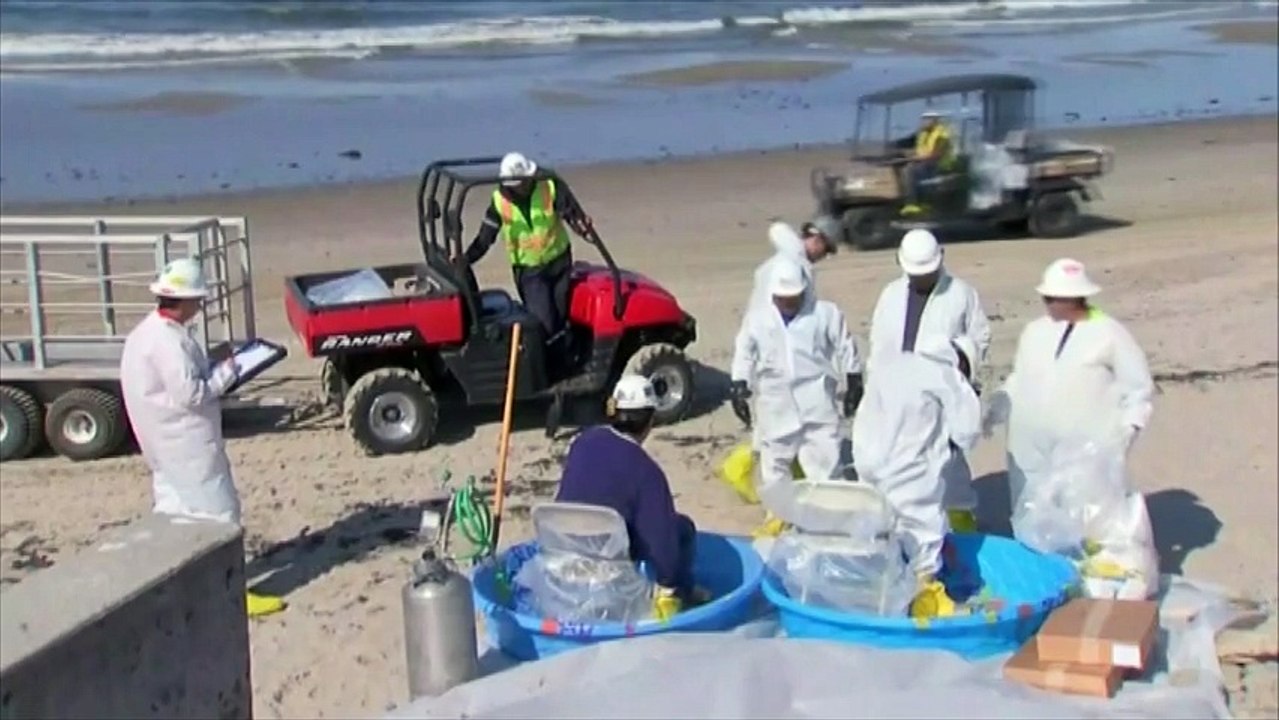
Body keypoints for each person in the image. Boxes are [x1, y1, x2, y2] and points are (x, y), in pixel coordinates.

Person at [119, 259, 285, 618]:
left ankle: (173, 586)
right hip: (187, 444)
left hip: (162, 444)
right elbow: (192, 394)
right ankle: (231, 592)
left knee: (175, 514)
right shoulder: (167, 341)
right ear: (188, 300)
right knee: (220, 516)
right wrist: (227, 374)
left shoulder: (145, 333)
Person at [984, 259, 1158, 599]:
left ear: (1076, 299)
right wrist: (997, 408)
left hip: (1087, 449)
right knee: (1033, 514)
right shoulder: (1035, 331)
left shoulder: (1109, 333)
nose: (1047, 304)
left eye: (1053, 298)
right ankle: (1041, 582)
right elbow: (1021, 378)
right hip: (1031, 444)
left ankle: (1091, 587)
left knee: (1088, 519)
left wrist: (1127, 431)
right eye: (1046, 297)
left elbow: (1139, 388)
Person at [867, 227, 991, 531]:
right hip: (897, 394)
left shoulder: (961, 294)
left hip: (941, 395)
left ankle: (961, 521)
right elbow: (879, 344)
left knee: (947, 465)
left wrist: (963, 361)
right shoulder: (891, 295)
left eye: (928, 272)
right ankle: (901, 526)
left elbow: (980, 337)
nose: (922, 278)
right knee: (897, 461)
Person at [851, 334, 981, 618]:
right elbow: (968, 432)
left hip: (871, 467)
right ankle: (926, 601)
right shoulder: (947, 376)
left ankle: (878, 598)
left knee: (882, 535)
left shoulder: (892, 366)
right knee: (924, 531)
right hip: (914, 474)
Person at [730, 258, 863, 531]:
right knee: (775, 463)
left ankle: (825, 518)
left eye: (793, 297)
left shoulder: (825, 314)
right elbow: (745, 351)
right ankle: (778, 515)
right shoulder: (758, 319)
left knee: (825, 462)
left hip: (817, 401)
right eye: (783, 298)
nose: (788, 303)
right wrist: (739, 384)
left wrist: (854, 377)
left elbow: (845, 345)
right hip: (775, 402)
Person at [556, 375, 703, 618]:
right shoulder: (647, 472)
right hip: (611, 557)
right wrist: (669, 577)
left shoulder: (582, 441)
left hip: (564, 548)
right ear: (650, 421)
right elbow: (662, 543)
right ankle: (677, 595)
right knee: (682, 529)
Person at [459, 151, 594, 376]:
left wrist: (583, 228)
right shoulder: (499, 201)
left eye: (522, 182)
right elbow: (486, 238)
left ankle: (564, 366)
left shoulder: (550, 186)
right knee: (545, 322)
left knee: (561, 317)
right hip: (530, 271)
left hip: (558, 260)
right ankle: (547, 371)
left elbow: (572, 214)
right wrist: (467, 259)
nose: (518, 187)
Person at [746, 217, 840, 316]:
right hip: (771, 327)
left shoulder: (792, 258)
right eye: (826, 250)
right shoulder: (793, 260)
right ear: (817, 240)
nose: (824, 256)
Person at [903, 110, 957, 210]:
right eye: (923, 119)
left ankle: (913, 204)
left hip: (940, 166)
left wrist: (918, 158)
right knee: (912, 167)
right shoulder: (923, 133)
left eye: (927, 119)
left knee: (911, 170)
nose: (924, 122)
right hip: (925, 163)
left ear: (935, 121)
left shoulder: (942, 135)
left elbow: (937, 154)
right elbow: (906, 142)